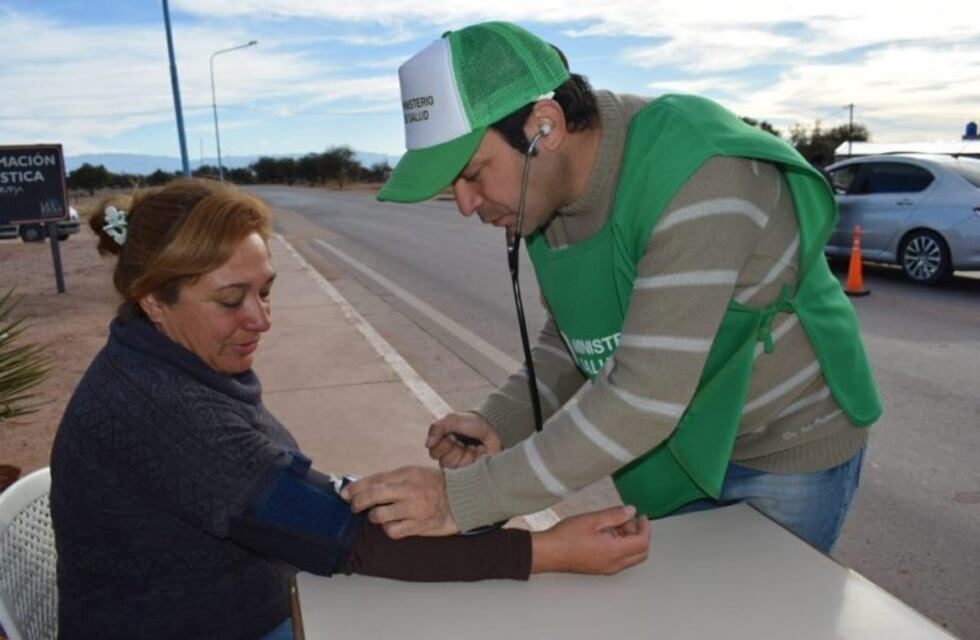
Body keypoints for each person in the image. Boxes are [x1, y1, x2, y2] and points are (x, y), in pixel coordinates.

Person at [344, 21, 882, 554]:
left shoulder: (701, 170)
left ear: (545, 129)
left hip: (784, 447)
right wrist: (500, 420)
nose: (463, 204)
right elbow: (580, 334)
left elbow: (642, 397)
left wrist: (458, 500)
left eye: (474, 173)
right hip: (678, 449)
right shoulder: (543, 197)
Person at [49, 179, 650, 640]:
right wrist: (551, 551)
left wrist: (444, 502)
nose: (260, 318)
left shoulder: (165, 362)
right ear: (155, 300)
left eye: (265, 290)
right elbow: (350, 541)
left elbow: (283, 497)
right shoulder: (165, 413)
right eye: (232, 300)